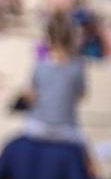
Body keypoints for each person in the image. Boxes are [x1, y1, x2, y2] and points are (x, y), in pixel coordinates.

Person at [24, 14, 85, 143]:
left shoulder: (40, 65)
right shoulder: (77, 67)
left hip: (37, 125)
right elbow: (81, 96)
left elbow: (30, 96)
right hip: (65, 127)